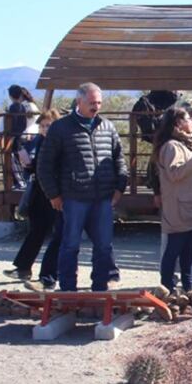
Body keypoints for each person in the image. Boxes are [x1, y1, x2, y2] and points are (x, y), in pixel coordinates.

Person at [36, 83, 128, 292]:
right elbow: (45, 164)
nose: (96, 107)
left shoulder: (108, 127)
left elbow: (119, 159)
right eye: (92, 103)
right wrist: (53, 194)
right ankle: (68, 290)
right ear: (79, 102)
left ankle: (100, 288)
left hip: (103, 198)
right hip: (74, 197)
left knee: (104, 246)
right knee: (70, 245)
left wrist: (119, 188)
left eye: (99, 103)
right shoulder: (61, 128)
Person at [153, 108, 192, 293]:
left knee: (187, 252)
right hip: (179, 208)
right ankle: (167, 289)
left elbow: (191, 170)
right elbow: (175, 173)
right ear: (178, 123)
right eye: (188, 119)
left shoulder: (185, 144)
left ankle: (189, 288)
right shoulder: (171, 146)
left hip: (190, 205)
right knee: (174, 250)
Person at [4, 109, 62, 283]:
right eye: (42, 126)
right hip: (38, 192)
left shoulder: (60, 144)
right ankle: (23, 267)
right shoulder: (38, 142)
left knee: (59, 234)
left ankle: (52, 273)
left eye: (48, 125)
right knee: (36, 231)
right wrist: (27, 164)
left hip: (55, 193)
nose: (45, 129)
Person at [4, 85, 40, 190]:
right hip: (28, 136)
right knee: (25, 160)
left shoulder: (16, 107)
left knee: (17, 159)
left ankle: (22, 183)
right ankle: (27, 182)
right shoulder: (29, 106)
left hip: (22, 137)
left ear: (10, 96)